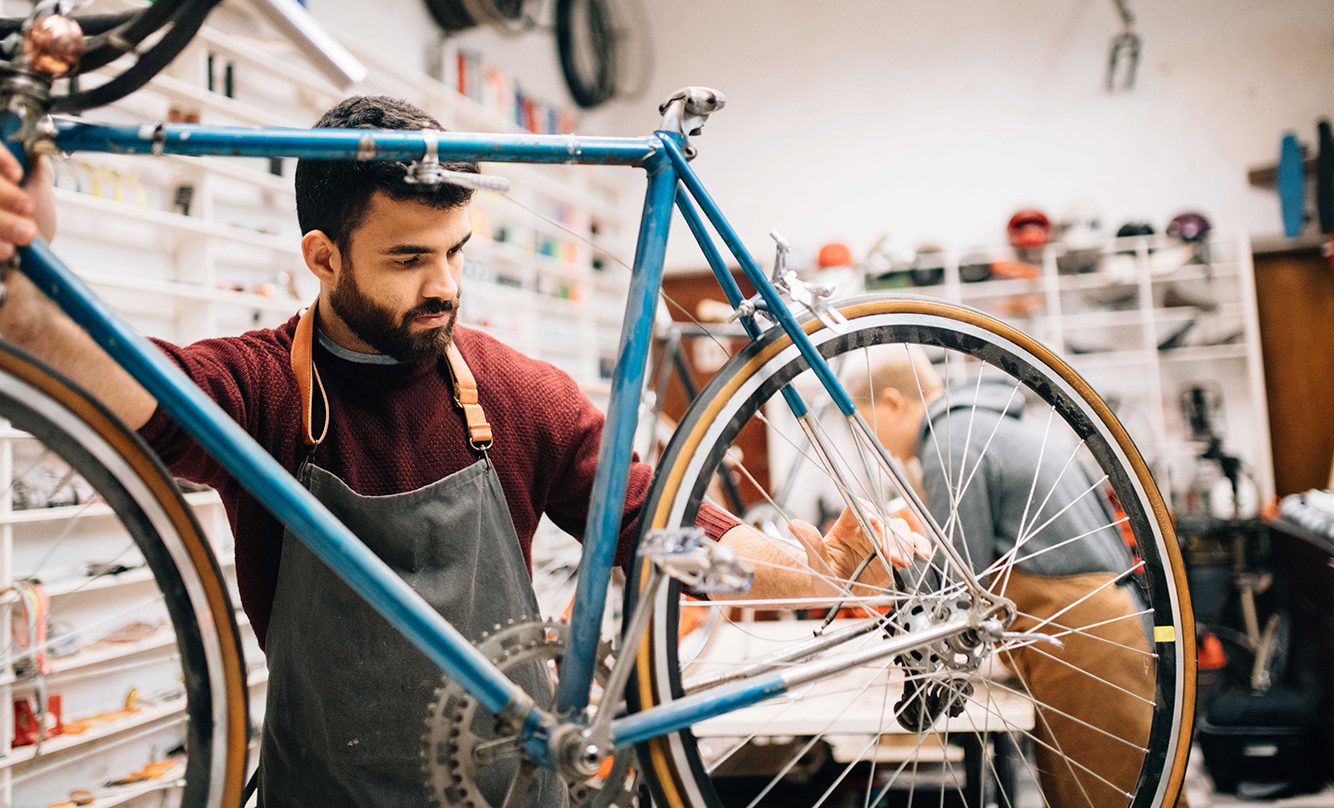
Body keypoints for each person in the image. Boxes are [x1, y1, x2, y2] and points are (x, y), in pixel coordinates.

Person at [0, 95, 927, 806]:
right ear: (322, 258)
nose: (444, 286)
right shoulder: (266, 392)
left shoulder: (516, 393)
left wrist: (825, 570)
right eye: (409, 260)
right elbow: (133, 396)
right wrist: (24, 302)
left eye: (457, 252)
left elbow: (667, 533)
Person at [852, 344, 1156, 808]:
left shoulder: (949, 440)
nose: (874, 443)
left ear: (893, 401)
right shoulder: (983, 424)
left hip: (1084, 635)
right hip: (1095, 625)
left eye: (864, 421)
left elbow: (959, 586)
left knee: (1112, 798)